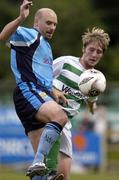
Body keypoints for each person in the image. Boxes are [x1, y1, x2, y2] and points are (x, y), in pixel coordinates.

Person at [0, 0, 68, 179]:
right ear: (37, 23)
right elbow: (3, 36)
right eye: (48, 23)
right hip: (28, 91)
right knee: (60, 117)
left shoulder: (45, 44)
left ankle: (41, 168)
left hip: (34, 93)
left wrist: (54, 91)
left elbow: (40, 75)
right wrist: (20, 18)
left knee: (40, 171)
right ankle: (39, 160)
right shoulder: (31, 35)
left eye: (54, 24)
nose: (52, 27)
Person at [42, 27, 110, 180]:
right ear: (83, 48)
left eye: (99, 52)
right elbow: (41, 77)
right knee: (48, 169)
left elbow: (91, 102)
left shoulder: (96, 80)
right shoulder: (66, 62)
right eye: (91, 49)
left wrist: (93, 109)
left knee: (64, 175)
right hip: (47, 111)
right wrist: (53, 90)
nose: (94, 54)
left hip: (65, 122)